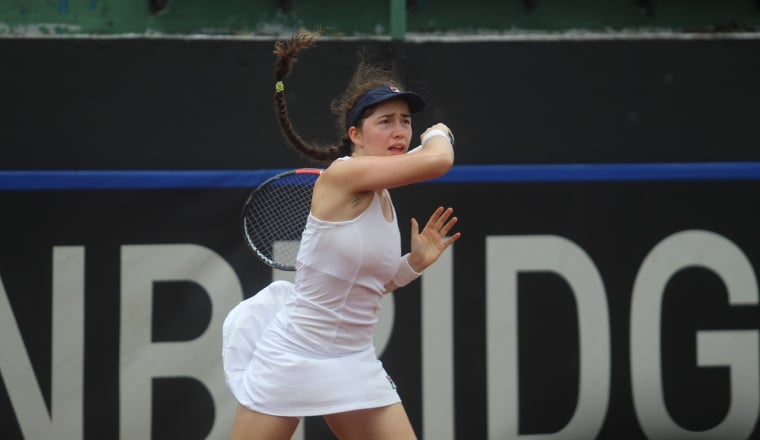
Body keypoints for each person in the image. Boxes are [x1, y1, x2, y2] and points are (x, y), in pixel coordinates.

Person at [222, 31, 460, 440]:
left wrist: (413, 265)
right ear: (355, 135)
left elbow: (363, 290)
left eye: (406, 121)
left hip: (353, 359)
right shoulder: (344, 174)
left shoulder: (384, 195)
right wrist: (438, 132)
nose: (400, 131)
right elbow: (440, 159)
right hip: (293, 356)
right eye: (385, 122)